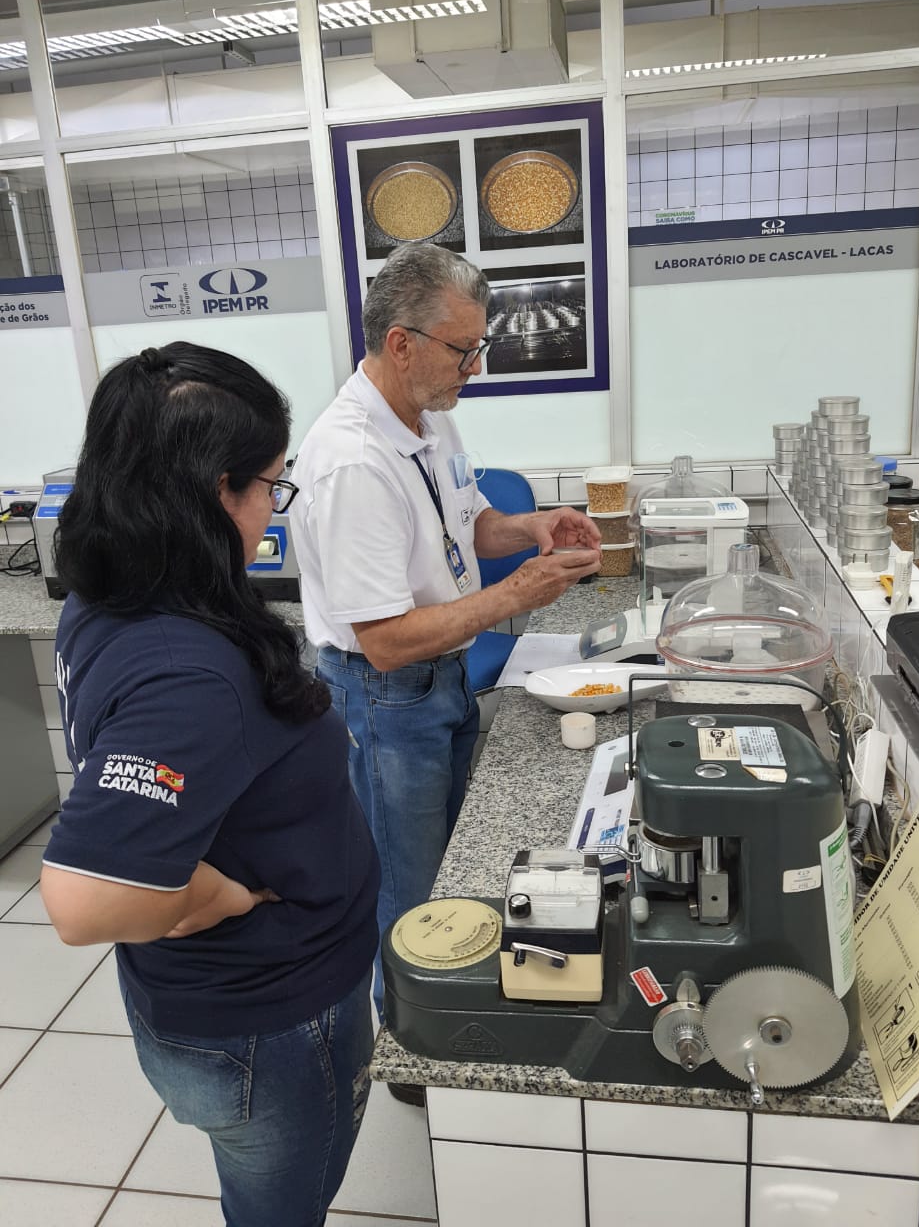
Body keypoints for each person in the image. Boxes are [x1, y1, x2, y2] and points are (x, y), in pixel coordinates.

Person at [40, 342, 380, 1227]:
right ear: (208, 491)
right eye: (269, 483)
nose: (275, 505)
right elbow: (80, 903)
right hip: (268, 1019)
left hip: (205, 998)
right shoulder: (188, 673)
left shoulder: (117, 589)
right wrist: (220, 894)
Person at [290, 244, 601, 1052]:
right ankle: (411, 1049)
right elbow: (386, 641)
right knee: (409, 883)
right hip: (386, 694)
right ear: (402, 343)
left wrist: (530, 529)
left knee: (455, 860)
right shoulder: (352, 462)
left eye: (479, 347)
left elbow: (466, 527)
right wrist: (511, 597)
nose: (477, 367)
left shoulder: (428, 419)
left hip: (445, 673)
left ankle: (449, 1005)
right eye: (466, 351)